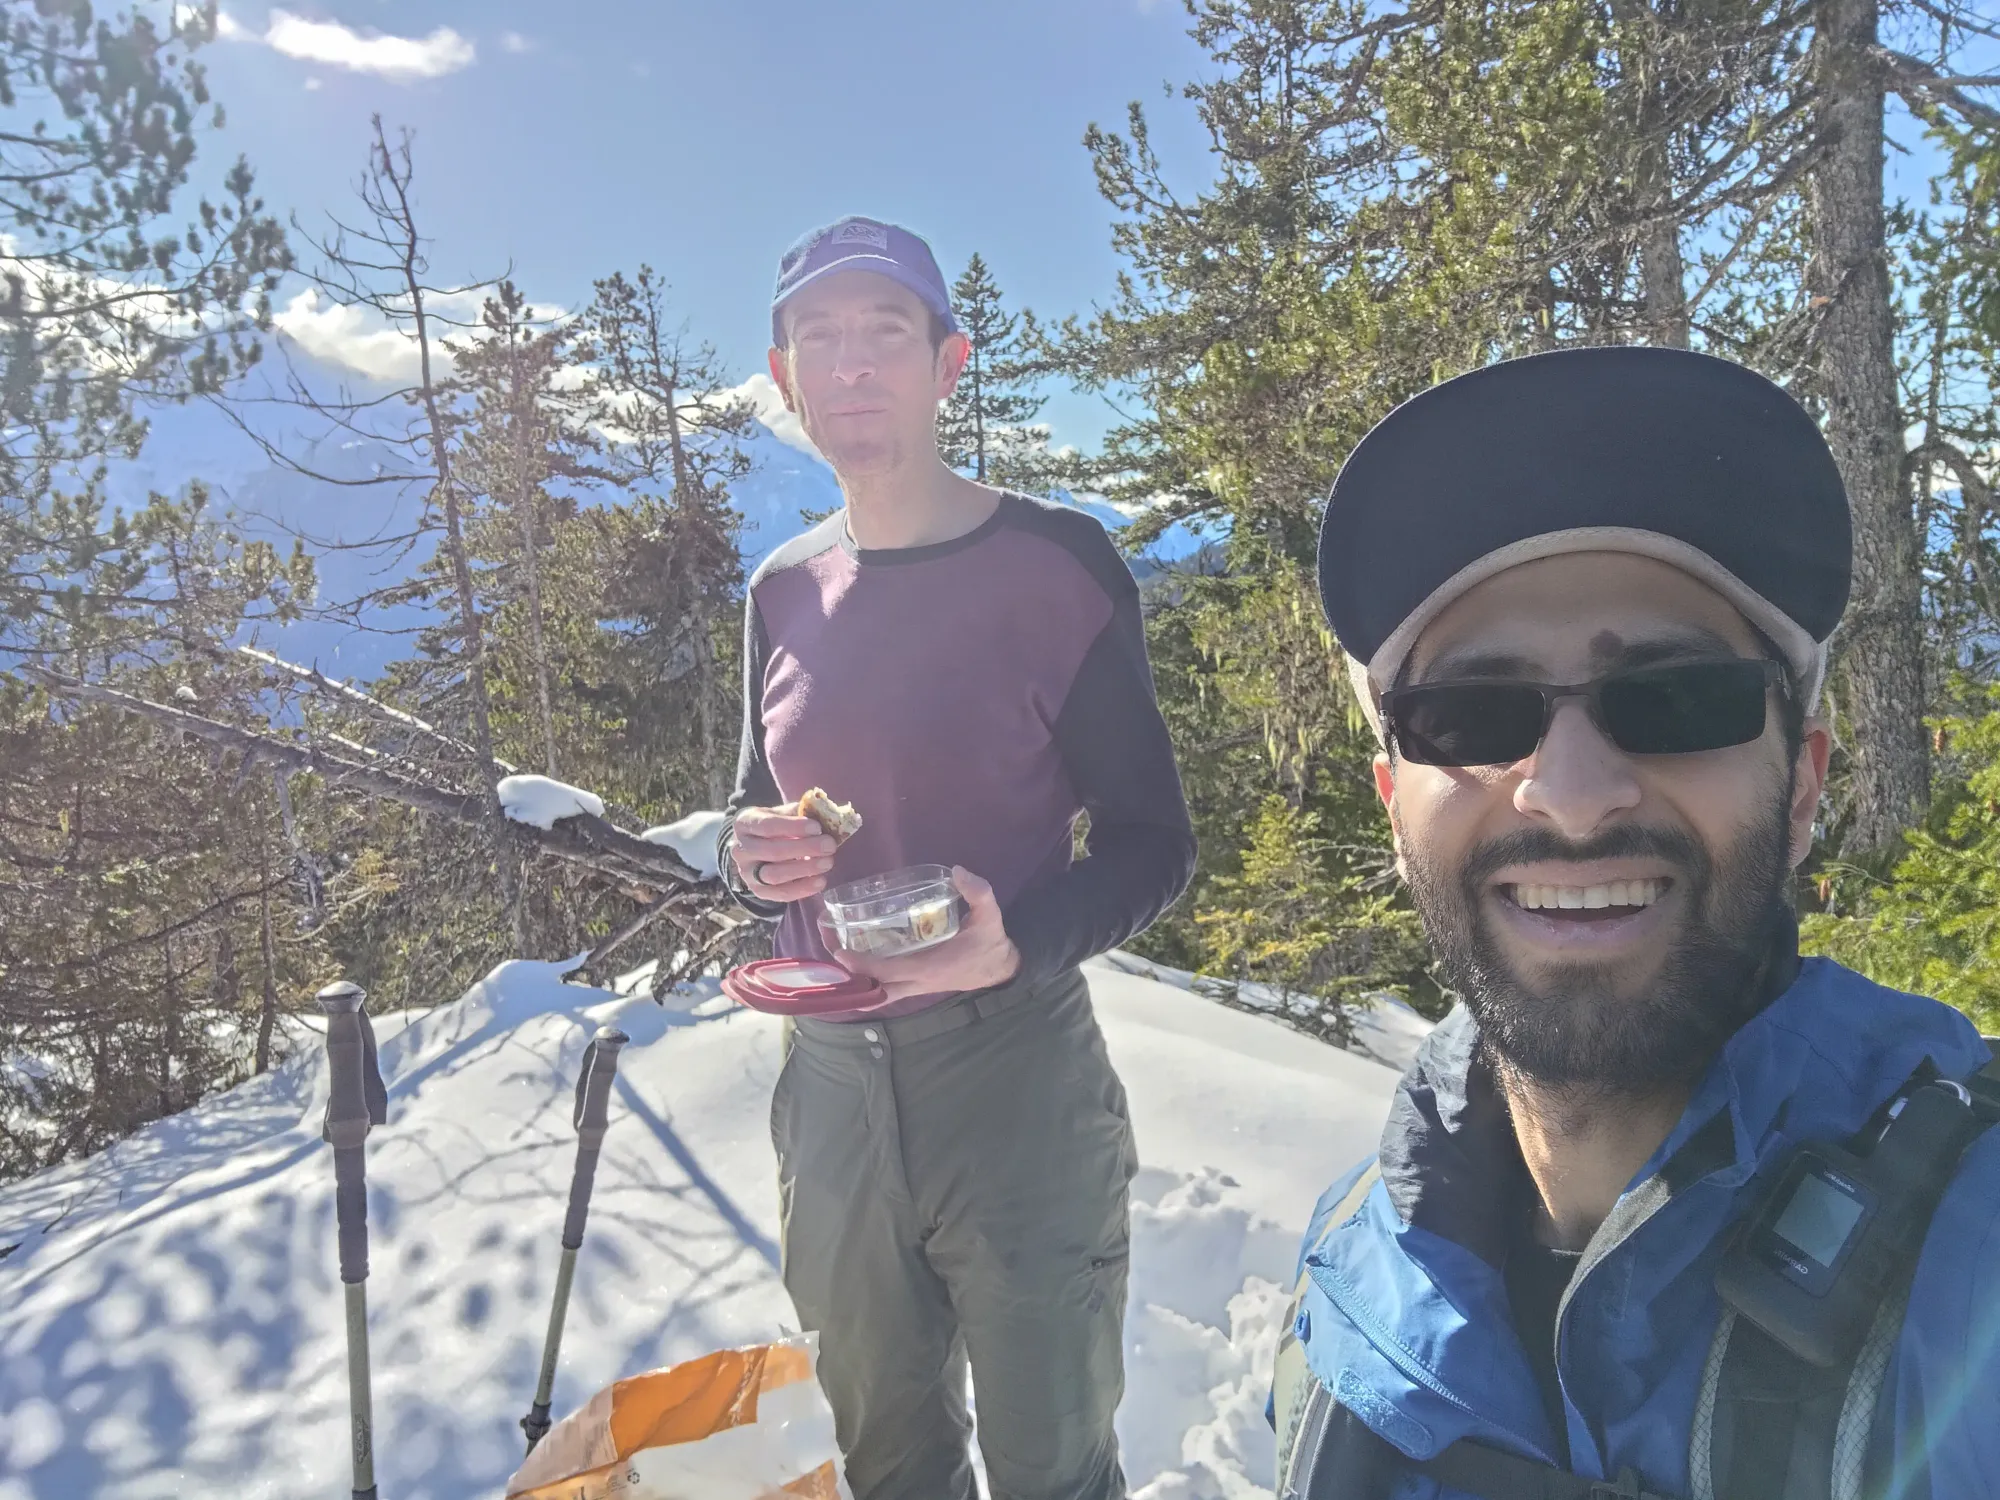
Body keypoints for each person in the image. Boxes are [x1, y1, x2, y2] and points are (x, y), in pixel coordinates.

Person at [1272, 347, 2000, 1500]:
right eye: (1469, 712)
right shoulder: (1350, 1272)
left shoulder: (1972, 1252)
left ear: (1801, 786)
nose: (1568, 791)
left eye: (1673, 697)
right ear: (1392, 809)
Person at [718, 215, 1196, 1500]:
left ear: (949, 362)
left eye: (886, 332)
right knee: (883, 1458)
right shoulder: (779, 589)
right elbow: (748, 812)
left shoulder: (1055, 565)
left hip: (1013, 1079)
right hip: (827, 1090)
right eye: (821, 338)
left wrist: (1018, 939)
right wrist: (745, 854)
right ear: (783, 378)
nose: (853, 365)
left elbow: (1156, 843)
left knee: (1052, 1464)